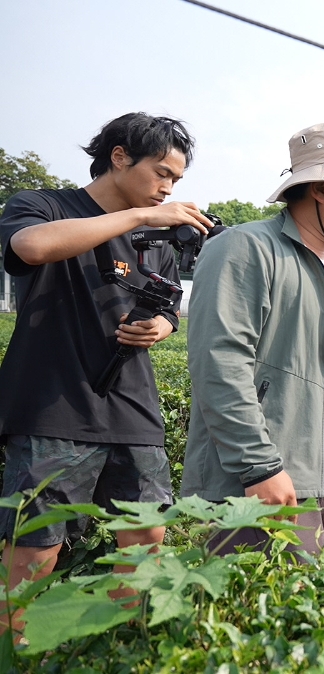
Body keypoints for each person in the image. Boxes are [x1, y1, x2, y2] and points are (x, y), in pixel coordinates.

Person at [0, 113, 210, 614]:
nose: (167, 188)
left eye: (176, 180)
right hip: (53, 404)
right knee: (35, 547)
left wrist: (161, 326)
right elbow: (30, 247)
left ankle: (115, 646)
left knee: (145, 537)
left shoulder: (159, 240)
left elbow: (167, 305)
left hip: (131, 403)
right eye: (162, 173)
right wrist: (140, 218)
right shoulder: (44, 205)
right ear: (119, 157)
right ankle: (18, 654)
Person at [184, 122, 324, 557]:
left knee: (307, 607)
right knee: (254, 609)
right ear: (320, 188)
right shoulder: (245, 248)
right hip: (267, 468)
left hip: (321, 462)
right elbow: (220, 361)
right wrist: (257, 464)